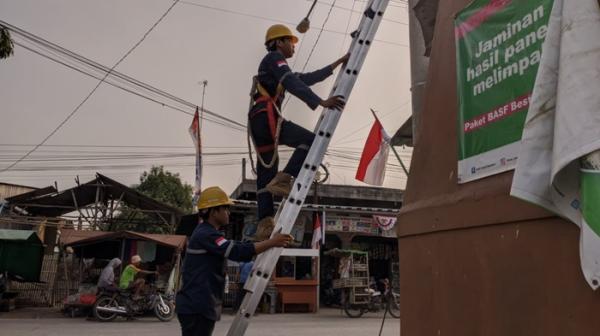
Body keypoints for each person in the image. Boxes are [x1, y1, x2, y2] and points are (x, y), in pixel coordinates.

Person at [249, 24, 349, 241]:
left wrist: (337, 63)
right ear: (277, 43)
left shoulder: (275, 69)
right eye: (289, 42)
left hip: (259, 121)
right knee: (311, 141)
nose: (293, 47)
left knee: (266, 174)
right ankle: (284, 178)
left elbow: (306, 78)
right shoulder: (275, 59)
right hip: (267, 117)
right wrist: (320, 102)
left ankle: (264, 226)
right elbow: (293, 82)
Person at [176, 186, 293, 336]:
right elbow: (236, 252)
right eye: (225, 208)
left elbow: (236, 245)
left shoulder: (209, 233)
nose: (228, 213)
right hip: (196, 305)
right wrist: (272, 242)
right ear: (213, 212)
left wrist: (264, 242)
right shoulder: (206, 234)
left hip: (198, 304)